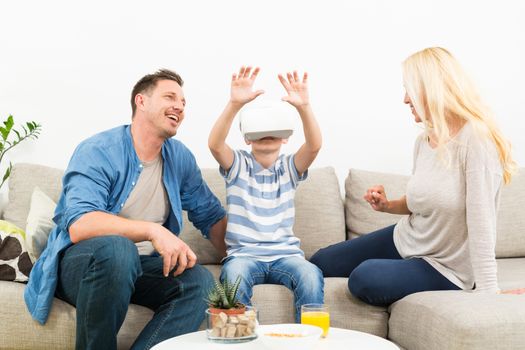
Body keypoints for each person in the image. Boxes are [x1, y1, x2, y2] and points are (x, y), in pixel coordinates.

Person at [24, 69, 228, 349]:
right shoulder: (99, 150)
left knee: (199, 281)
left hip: (141, 268)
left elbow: (211, 216)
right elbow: (81, 223)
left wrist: (249, 253)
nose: (180, 106)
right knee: (119, 250)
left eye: (183, 102)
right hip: (84, 265)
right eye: (170, 96)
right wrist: (152, 230)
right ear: (140, 101)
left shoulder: (179, 157)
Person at [310, 47, 520, 306]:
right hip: (407, 239)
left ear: (431, 88)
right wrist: (387, 205)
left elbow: (482, 219)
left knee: (365, 277)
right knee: (321, 261)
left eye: (409, 89)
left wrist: (489, 290)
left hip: (444, 266)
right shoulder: (424, 140)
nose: (405, 99)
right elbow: (423, 201)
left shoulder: (476, 140)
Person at [208, 66, 324, 322]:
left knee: (310, 274)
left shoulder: (289, 168)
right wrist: (234, 104)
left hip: (286, 255)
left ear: (284, 138)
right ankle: (244, 339)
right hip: (244, 255)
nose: (267, 135)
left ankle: (311, 340)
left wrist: (304, 107)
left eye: (274, 131)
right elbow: (215, 145)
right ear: (248, 138)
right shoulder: (238, 165)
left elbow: (314, 146)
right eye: (260, 132)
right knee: (233, 277)